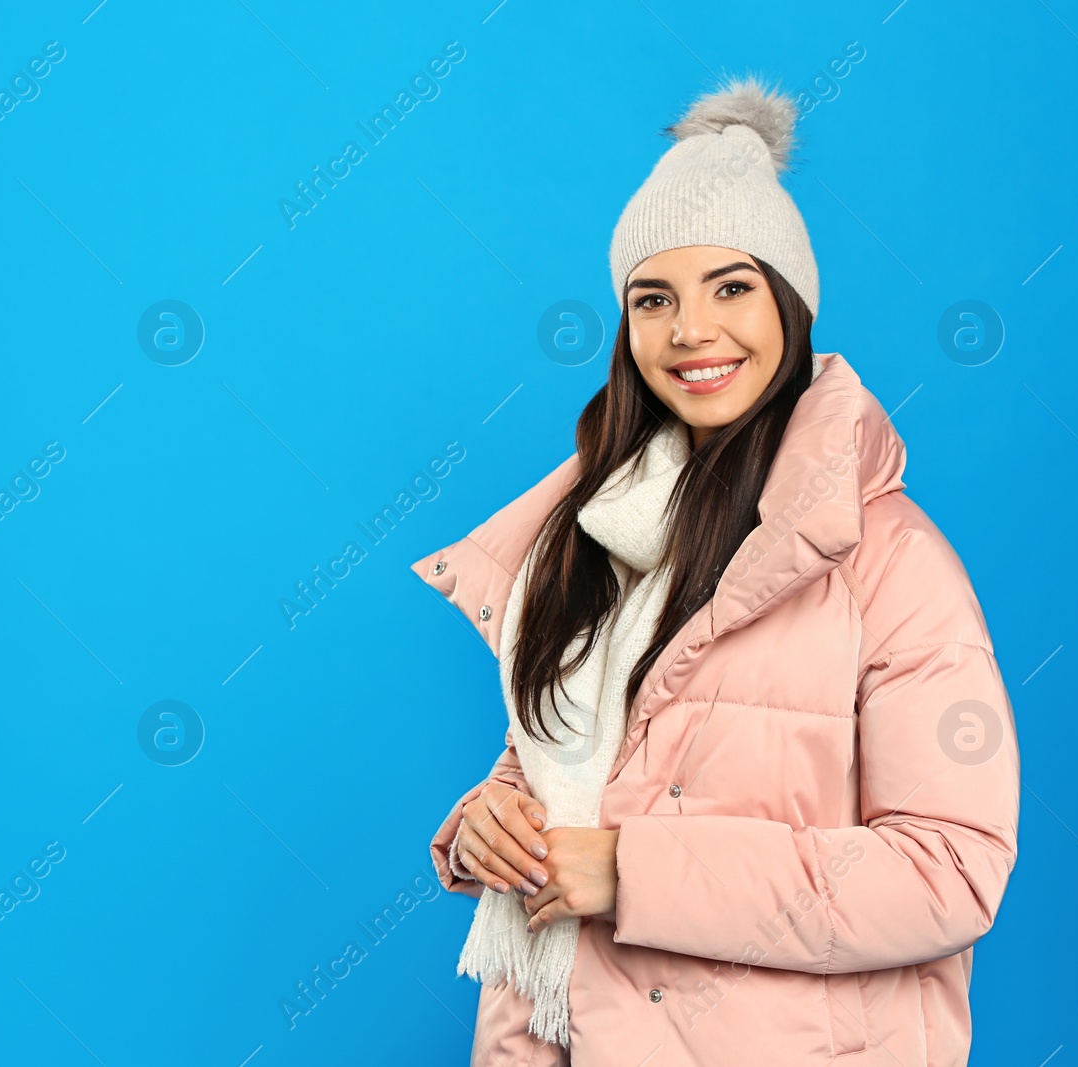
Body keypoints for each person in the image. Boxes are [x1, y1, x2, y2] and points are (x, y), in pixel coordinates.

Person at [410, 74, 1020, 1066]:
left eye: (730, 286)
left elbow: (948, 871)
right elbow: (556, 781)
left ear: (790, 303)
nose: (691, 330)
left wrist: (636, 871)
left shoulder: (892, 563)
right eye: (654, 298)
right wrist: (490, 824)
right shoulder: (593, 537)